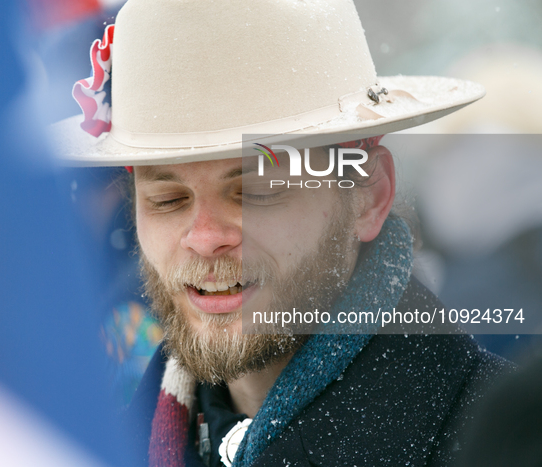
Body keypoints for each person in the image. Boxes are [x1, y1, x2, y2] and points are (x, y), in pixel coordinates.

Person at [52, 0, 515, 465]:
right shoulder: (86, 438)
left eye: (255, 192)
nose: (205, 236)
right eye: (167, 201)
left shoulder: (502, 443)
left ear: (368, 196)